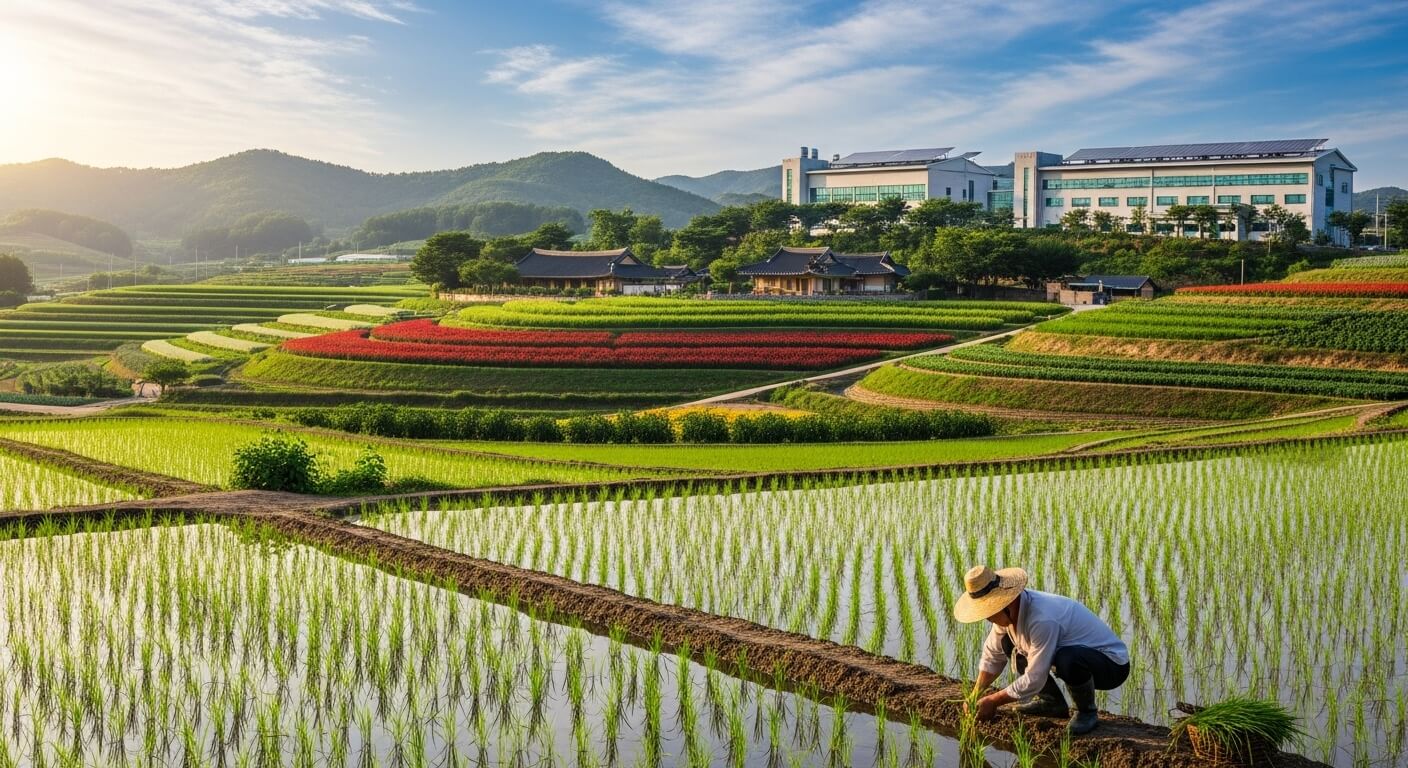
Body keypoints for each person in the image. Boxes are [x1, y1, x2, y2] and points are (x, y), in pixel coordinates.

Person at [953, 565, 1130, 734]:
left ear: (1005, 603)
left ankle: (1087, 712)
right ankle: (1052, 703)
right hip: (1079, 656)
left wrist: (993, 701)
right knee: (1007, 643)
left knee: (1067, 658)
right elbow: (992, 655)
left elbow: (1034, 678)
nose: (988, 619)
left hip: (1111, 665)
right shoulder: (1006, 618)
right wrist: (976, 694)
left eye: (989, 613)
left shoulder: (1042, 619)